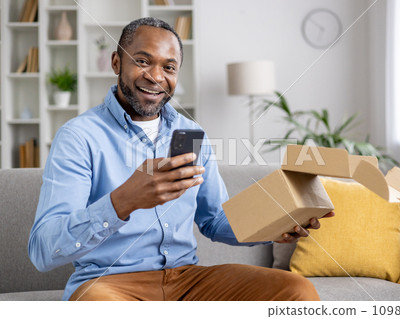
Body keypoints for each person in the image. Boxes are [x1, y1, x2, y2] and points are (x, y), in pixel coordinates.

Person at [28, 17, 333, 301]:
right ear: (117, 62)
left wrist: (272, 225)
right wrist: (123, 201)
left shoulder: (189, 133)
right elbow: (43, 250)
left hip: (187, 279)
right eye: (143, 61)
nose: (156, 77)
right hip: (110, 283)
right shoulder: (79, 136)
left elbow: (214, 220)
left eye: (169, 68)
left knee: (295, 290)